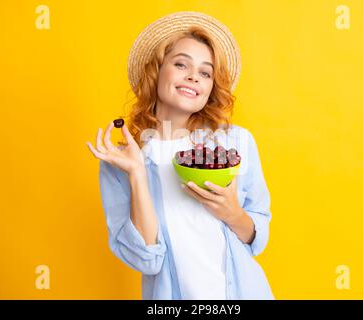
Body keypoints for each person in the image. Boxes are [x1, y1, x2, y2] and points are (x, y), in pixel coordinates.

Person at [86, 11, 274, 300]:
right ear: (157, 71)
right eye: (180, 64)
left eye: (205, 72)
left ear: (211, 87)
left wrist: (231, 212)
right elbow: (147, 260)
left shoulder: (235, 143)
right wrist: (136, 174)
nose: (192, 77)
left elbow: (256, 236)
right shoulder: (122, 161)